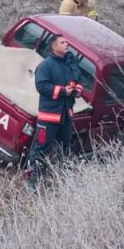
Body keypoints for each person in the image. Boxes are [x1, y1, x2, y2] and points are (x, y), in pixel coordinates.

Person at [25, 35, 82, 187]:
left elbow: (78, 81)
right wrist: (63, 91)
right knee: (40, 149)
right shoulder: (45, 66)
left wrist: (77, 90)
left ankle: (58, 179)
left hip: (66, 115)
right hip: (49, 117)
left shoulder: (71, 63)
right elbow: (42, 86)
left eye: (67, 42)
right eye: (63, 42)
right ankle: (31, 180)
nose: (67, 44)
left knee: (65, 148)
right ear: (53, 46)